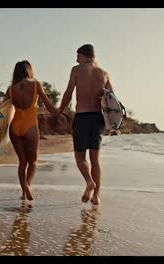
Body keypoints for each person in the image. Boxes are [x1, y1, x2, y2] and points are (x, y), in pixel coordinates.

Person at [57, 44, 115, 206]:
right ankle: (96, 196)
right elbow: (112, 101)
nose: (76, 59)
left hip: (82, 117)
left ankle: (89, 182)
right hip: (97, 119)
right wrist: (111, 124)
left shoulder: (76, 70)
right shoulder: (104, 74)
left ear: (86, 56)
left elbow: (68, 93)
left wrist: (59, 110)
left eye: (78, 56)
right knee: (95, 159)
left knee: (80, 157)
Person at [5, 60, 57, 201]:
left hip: (15, 127)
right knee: (33, 162)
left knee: (22, 162)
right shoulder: (35, 85)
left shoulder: (10, 89)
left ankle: (24, 190)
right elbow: (47, 105)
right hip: (30, 127)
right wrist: (59, 112)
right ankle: (27, 186)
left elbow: (4, 111)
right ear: (29, 70)